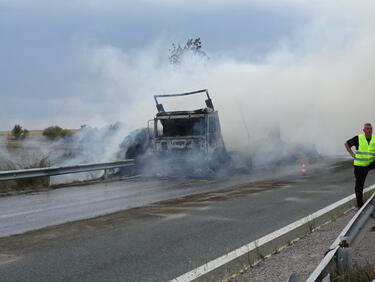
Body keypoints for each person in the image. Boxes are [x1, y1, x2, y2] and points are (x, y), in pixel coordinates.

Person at [345, 123, 375, 208]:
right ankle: (360, 204)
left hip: (370, 163)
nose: (370, 130)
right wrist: (352, 154)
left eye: (371, 128)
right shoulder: (358, 138)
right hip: (360, 166)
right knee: (359, 185)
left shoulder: (374, 139)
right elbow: (347, 144)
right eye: (368, 129)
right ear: (364, 130)